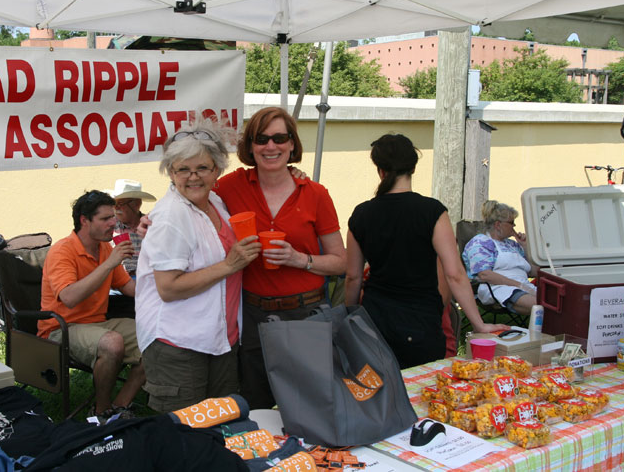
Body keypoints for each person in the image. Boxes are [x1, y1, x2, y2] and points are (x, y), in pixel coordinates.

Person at [214, 106, 347, 409]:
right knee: (258, 403)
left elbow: (341, 262)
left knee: (313, 403)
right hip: (253, 316)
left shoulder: (315, 193)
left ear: (291, 144)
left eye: (279, 138)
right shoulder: (230, 186)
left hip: (307, 313)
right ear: (250, 146)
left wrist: (300, 259)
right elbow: (190, 193)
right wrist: (148, 221)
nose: (270, 146)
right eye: (261, 139)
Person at [344, 134, 508, 369]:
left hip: (375, 320)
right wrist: (479, 325)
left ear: (380, 170)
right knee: (424, 394)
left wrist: (349, 315)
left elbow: (353, 277)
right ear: (413, 168)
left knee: (378, 397)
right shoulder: (432, 211)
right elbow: (455, 274)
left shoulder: (361, 214)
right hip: (421, 322)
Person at [135, 118, 261, 412]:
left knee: (219, 428)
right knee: (183, 437)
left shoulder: (216, 202)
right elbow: (168, 288)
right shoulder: (170, 216)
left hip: (218, 339)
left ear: (217, 169)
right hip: (178, 343)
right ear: (170, 172)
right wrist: (230, 265)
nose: (193, 177)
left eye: (202, 168)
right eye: (182, 169)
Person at [38, 190, 146, 421]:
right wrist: (109, 264)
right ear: (84, 220)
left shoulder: (105, 248)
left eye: (113, 217)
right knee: (113, 343)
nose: (113, 223)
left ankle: (119, 406)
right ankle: (100, 411)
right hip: (61, 328)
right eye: (105, 219)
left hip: (98, 323)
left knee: (156, 338)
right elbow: (69, 297)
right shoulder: (63, 250)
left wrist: (164, 289)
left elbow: (128, 287)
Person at [462, 200, 538, 315]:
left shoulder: (512, 244)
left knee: (557, 306)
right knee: (541, 307)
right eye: (511, 222)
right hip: (498, 288)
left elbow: (533, 272)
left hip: (524, 286)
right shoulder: (481, 242)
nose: (514, 226)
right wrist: (519, 285)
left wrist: (525, 246)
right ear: (498, 225)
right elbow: (484, 274)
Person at [106, 179, 156, 320]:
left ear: (136, 204)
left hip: (146, 279)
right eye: (114, 204)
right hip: (117, 283)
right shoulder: (110, 227)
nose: (116, 209)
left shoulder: (151, 226)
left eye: (120, 204)